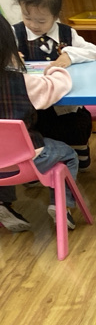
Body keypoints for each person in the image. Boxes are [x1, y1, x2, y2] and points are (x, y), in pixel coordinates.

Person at [0, 13, 81, 233]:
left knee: (3, 157)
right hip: (29, 162)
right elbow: (59, 85)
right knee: (68, 155)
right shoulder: (22, 82)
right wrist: (55, 68)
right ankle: (60, 206)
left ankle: (3, 203)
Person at [14, 0, 96, 169]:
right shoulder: (15, 33)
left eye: (41, 20)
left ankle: (78, 158)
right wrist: (10, 57)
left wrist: (70, 55)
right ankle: (40, 167)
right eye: (27, 17)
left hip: (66, 104)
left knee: (76, 128)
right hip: (34, 104)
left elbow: (94, 52)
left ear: (55, 16)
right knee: (37, 132)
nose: (33, 25)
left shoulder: (67, 33)